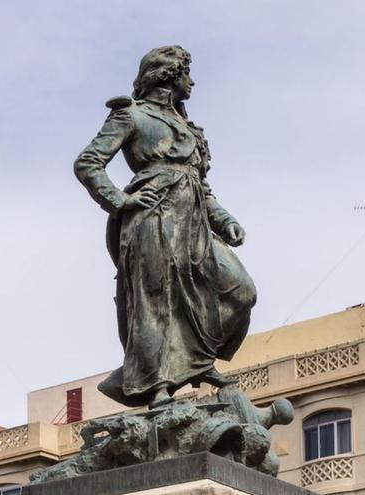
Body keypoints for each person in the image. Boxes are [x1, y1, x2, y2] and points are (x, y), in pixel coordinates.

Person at [74, 46, 256, 408]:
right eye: (187, 73)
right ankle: (156, 384)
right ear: (168, 75)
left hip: (195, 224)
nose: (192, 81)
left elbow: (201, 187)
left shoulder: (188, 127)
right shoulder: (131, 115)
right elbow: (88, 162)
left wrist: (225, 220)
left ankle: (197, 361)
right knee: (155, 302)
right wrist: (120, 201)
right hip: (151, 219)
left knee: (240, 291)